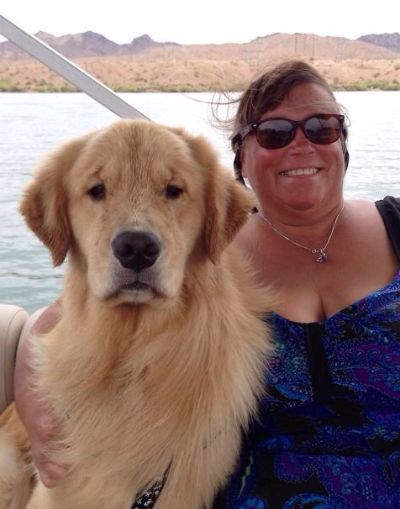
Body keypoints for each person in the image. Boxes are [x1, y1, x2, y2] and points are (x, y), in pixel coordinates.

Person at [11, 60, 400, 508]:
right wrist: (32, 410)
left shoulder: (395, 223)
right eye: (275, 133)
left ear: (341, 143)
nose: (301, 144)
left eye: (321, 127)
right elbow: (59, 316)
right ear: (242, 157)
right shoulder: (210, 249)